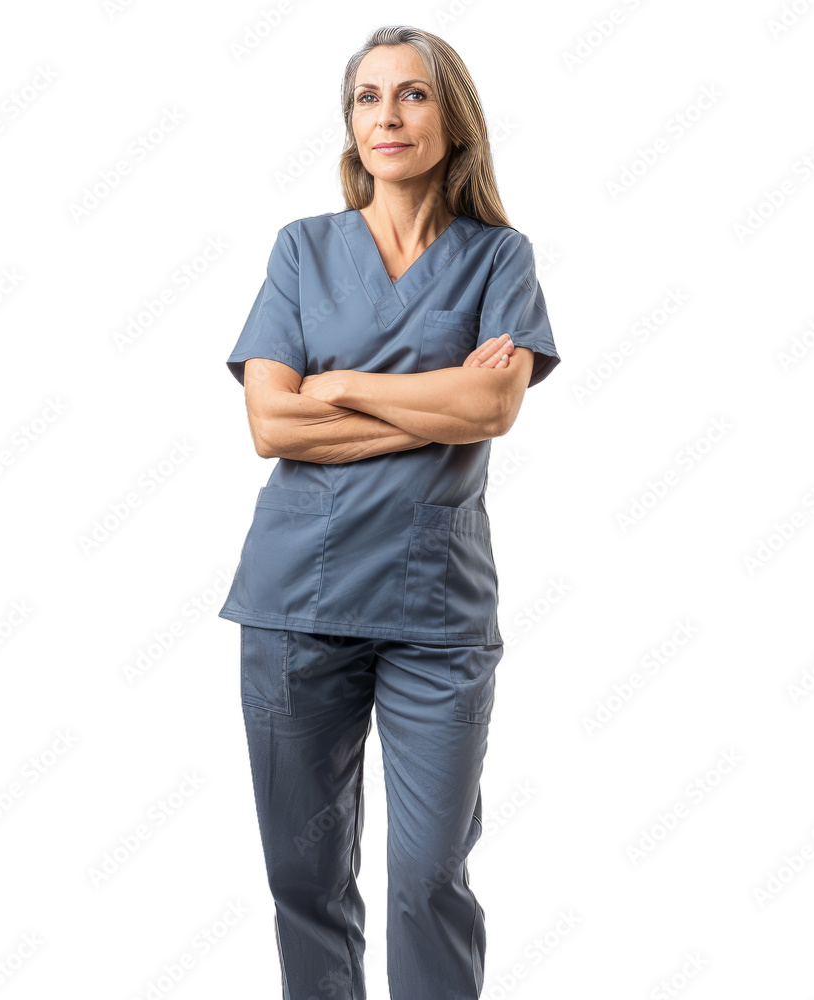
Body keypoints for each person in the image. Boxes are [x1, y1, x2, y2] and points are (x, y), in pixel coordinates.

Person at [218, 24, 561, 1000]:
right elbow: (271, 425)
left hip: (435, 615)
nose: (389, 115)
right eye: (368, 97)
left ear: (452, 121)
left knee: (426, 880)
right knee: (305, 880)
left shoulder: (500, 257)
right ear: (350, 124)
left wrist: (339, 387)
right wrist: (428, 398)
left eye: (412, 94)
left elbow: (491, 407)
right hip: (297, 600)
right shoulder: (303, 249)